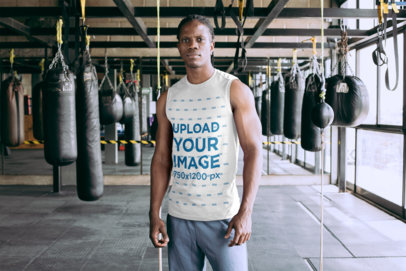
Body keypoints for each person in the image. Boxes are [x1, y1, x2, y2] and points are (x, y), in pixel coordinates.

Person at [149, 14, 262, 271]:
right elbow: (162, 158)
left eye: (200, 39)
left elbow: (254, 150)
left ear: (211, 45)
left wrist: (246, 211)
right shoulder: (168, 98)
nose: (193, 45)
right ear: (179, 47)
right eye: (186, 40)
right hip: (179, 218)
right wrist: (154, 213)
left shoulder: (233, 89)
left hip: (223, 218)